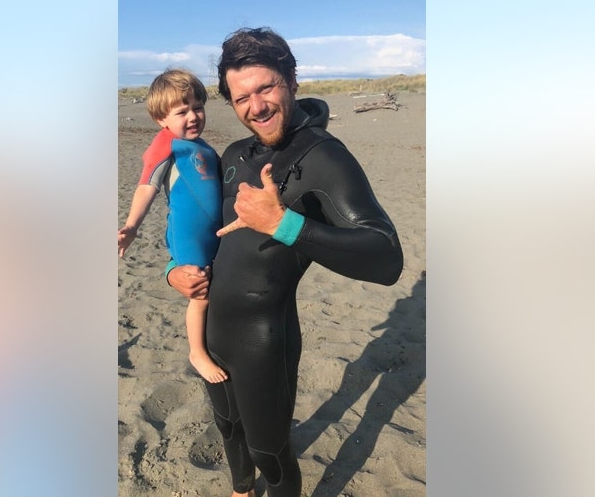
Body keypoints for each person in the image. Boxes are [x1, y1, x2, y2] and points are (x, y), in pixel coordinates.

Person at [166, 28, 404, 497]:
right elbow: (189, 222)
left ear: (291, 79)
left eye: (266, 88)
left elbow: (386, 256)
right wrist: (173, 269)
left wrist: (283, 225)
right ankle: (240, 492)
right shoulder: (234, 155)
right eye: (241, 97)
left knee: (269, 454)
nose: (256, 106)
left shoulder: (322, 157)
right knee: (228, 429)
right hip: (211, 328)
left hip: (262, 338)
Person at [119, 68, 228, 384]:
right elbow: (146, 186)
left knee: (216, 283)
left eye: (197, 107)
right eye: (182, 111)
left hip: (213, 231)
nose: (193, 116)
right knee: (200, 291)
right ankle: (197, 352)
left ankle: (213, 340)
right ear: (161, 120)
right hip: (187, 234)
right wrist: (132, 226)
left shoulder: (203, 146)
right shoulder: (166, 144)